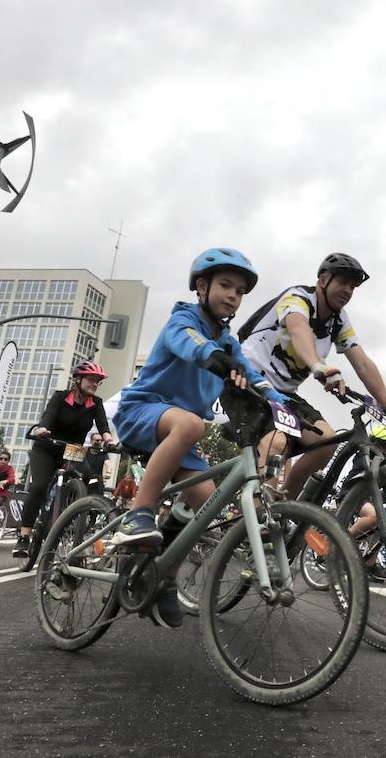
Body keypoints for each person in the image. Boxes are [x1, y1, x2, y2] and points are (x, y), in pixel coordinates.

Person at [109, 247, 289, 629]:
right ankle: (137, 515)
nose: (232, 295)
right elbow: (191, 344)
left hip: (179, 430)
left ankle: (163, 580)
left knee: (205, 507)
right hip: (144, 411)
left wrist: (280, 400)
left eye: (239, 291)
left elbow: (250, 375)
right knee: (191, 423)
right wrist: (215, 358)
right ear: (201, 286)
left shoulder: (227, 340)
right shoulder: (183, 319)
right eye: (225, 285)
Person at [237, 252, 386, 500]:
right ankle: (256, 518)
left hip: (283, 395)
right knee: (276, 444)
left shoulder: (339, 320)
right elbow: (299, 330)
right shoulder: (297, 298)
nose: (348, 291)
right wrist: (318, 366)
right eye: (343, 282)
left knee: (327, 441)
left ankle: (281, 507)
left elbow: (362, 363)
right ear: (323, 280)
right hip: (247, 383)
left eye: (353, 286)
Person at [13, 361, 116, 558]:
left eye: (97, 381)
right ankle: (24, 536)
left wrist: (109, 440)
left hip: (73, 450)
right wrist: (43, 428)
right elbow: (49, 415)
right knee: (39, 487)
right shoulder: (60, 397)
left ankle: (78, 523)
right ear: (78, 379)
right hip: (48, 446)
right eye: (91, 379)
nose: (95, 384)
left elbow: (103, 426)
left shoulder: (96, 403)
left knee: (90, 479)